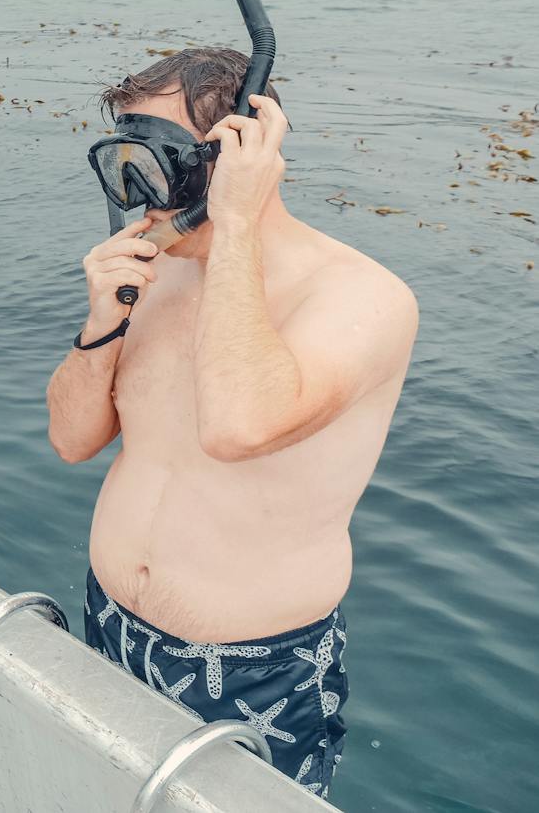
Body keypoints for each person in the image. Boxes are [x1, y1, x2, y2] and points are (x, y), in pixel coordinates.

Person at [46, 48, 416, 800]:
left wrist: (238, 224)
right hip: (111, 621)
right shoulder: (155, 272)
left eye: (158, 162)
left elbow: (238, 427)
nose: (135, 191)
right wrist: (98, 322)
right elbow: (71, 440)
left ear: (240, 154)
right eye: (124, 160)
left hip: (256, 668)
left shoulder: (359, 296)